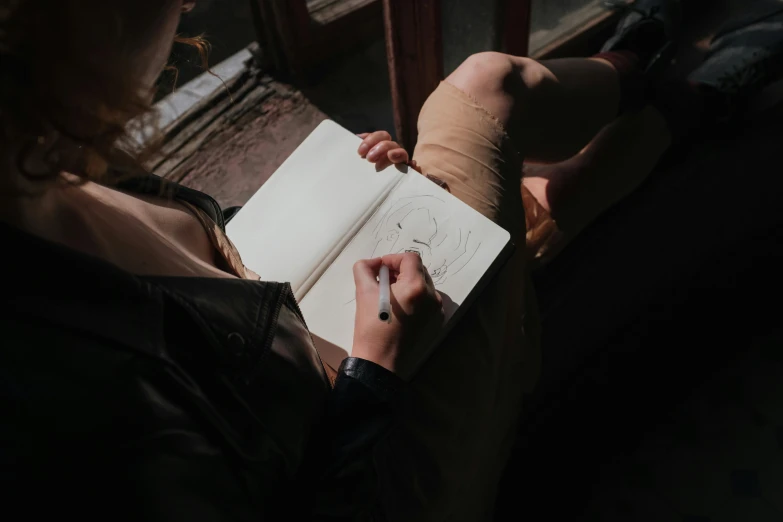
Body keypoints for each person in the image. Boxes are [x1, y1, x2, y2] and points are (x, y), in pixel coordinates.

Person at [2, 0, 782, 520]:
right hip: (387, 471)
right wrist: (374, 369)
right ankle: (660, 88)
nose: (186, 12)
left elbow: (209, 272)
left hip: (313, 347)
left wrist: (343, 197)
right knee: (486, 90)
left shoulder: (40, 165)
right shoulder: (67, 392)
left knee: (502, 183)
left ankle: (649, 89)